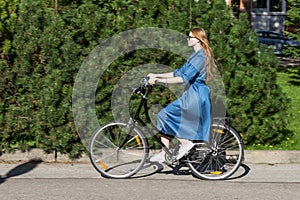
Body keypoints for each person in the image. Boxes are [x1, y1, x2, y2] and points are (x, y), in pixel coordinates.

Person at [147, 28, 216, 163]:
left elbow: (184, 78)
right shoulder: (195, 55)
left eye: (190, 37)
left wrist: (161, 81)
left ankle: (184, 143)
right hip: (192, 94)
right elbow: (177, 73)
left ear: (198, 39)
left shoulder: (201, 56)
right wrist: (156, 75)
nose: (187, 39)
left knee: (163, 115)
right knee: (164, 116)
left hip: (195, 95)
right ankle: (164, 151)